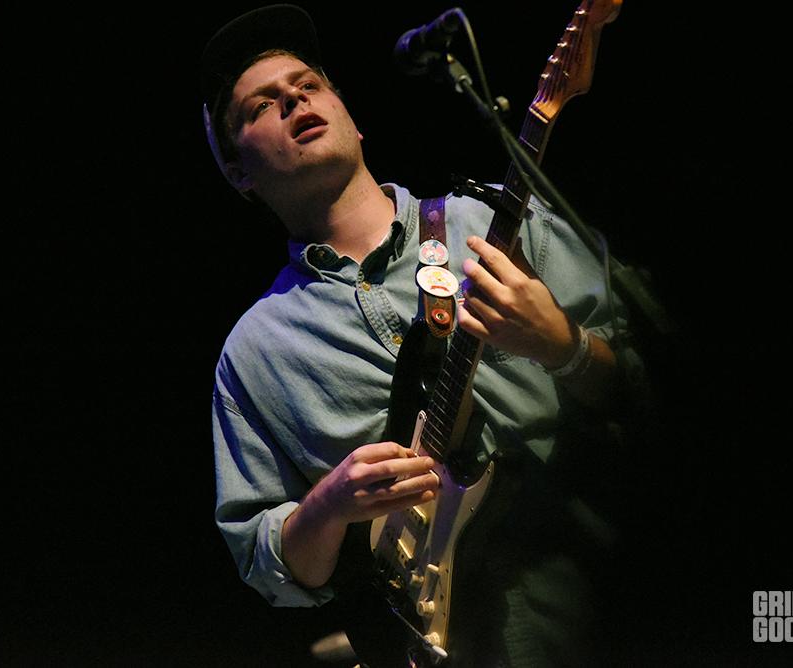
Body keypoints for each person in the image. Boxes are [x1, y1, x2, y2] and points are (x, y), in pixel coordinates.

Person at [204, 5, 638, 666]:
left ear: (351, 116)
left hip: (605, 594)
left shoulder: (487, 221)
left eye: (308, 84)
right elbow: (264, 560)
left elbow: (657, 380)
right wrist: (328, 505)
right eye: (262, 105)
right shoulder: (254, 352)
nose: (294, 99)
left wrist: (565, 346)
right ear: (239, 171)